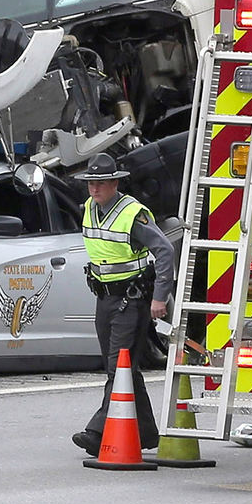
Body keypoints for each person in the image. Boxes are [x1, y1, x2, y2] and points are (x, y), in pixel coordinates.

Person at [71, 152, 175, 456]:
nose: (94, 189)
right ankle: (145, 432)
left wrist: (159, 297)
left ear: (115, 182)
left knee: (119, 367)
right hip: (104, 298)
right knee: (122, 368)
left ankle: (97, 430)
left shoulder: (132, 214)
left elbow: (165, 250)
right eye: (91, 183)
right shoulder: (91, 207)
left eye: (101, 183)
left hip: (131, 300)